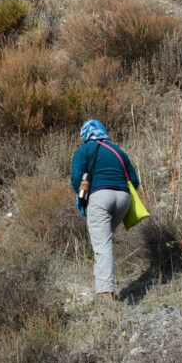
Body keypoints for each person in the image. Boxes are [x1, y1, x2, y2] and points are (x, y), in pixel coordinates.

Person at [70, 118, 140, 301]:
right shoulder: (119, 151)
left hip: (100, 197)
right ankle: (101, 283)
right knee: (104, 241)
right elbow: (135, 181)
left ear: (85, 134)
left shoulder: (84, 150)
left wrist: (84, 196)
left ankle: (105, 294)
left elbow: (77, 178)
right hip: (123, 198)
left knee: (102, 245)